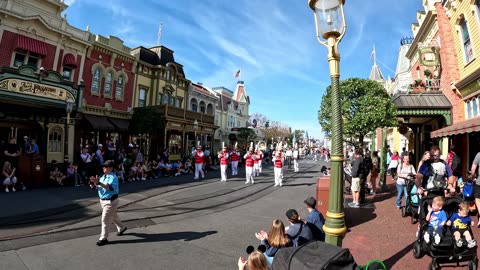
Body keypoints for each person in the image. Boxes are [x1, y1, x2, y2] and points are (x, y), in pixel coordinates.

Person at [89, 160, 127, 246]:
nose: (103, 168)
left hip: (111, 201)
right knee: (113, 216)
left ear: (110, 168)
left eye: (105, 167)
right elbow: (100, 188)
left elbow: (109, 188)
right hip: (103, 200)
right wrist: (94, 185)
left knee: (105, 219)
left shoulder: (113, 177)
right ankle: (122, 228)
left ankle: (103, 238)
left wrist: (98, 182)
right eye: (103, 166)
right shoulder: (103, 176)